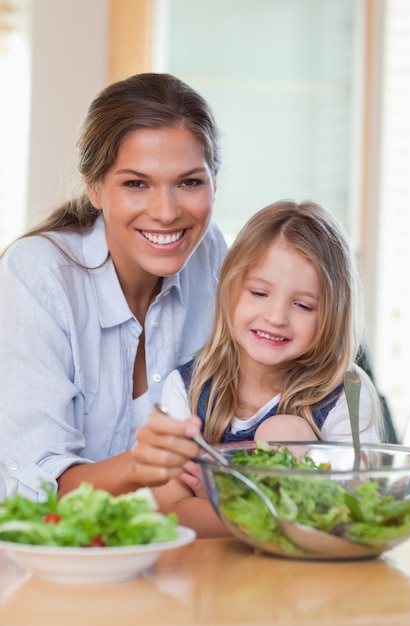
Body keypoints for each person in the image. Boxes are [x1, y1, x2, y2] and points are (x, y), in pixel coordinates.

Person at [0, 72, 229, 501]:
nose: (166, 212)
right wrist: (142, 467)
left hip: (178, 551)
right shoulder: (37, 275)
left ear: (215, 183)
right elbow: (33, 489)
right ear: (95, 189)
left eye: (189, 182)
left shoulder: (214, 257)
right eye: (136, 184)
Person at [153, 200, 384, 536]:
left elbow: (356, 507)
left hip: (307, 575)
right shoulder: (187, 389)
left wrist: (231, 498)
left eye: (303, 305)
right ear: (230, 288)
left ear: (333, 314)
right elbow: (172, 510)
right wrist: (273, 516)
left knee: (282, 433)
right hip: (213, 576)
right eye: (259, 292)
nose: (276, 317)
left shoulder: (344, 394)